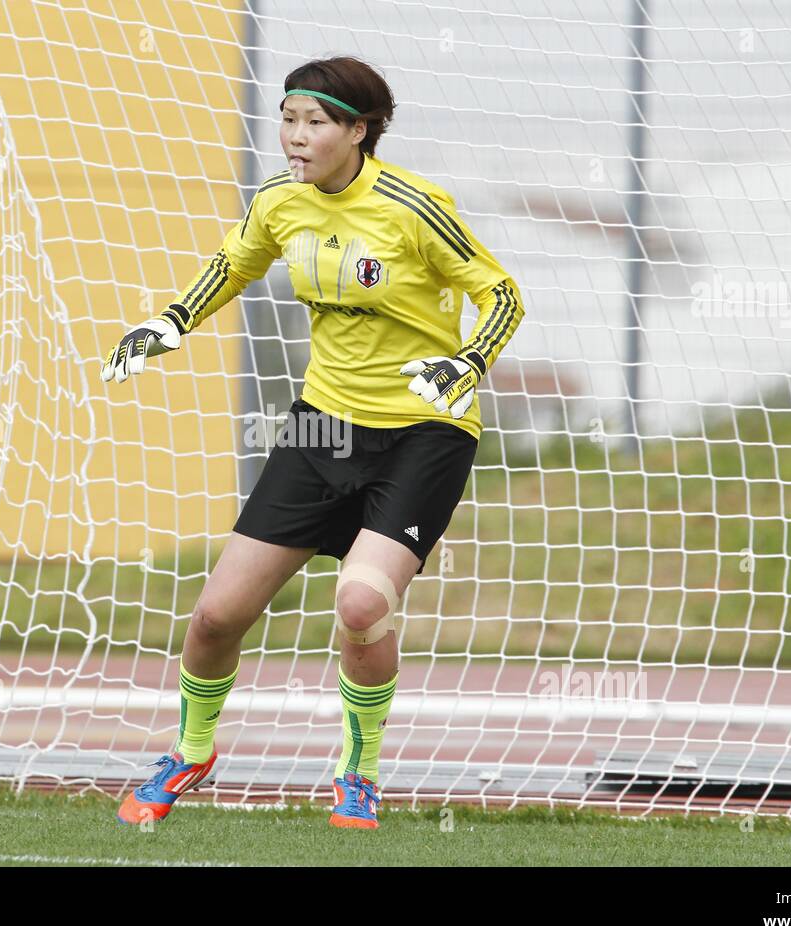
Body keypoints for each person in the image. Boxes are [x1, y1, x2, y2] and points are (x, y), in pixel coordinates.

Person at [101, 55, 525, 829]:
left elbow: (500, 293)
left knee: (362, 604)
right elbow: (236, 261)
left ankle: (358, 773)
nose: (296, 137)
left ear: (358, 131)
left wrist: (468, 363)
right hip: (323, 426)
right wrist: (170, 322)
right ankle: (192, 750)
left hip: (423, 434)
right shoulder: (279, 204)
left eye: (317, 122)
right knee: (215, 619)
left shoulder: (413, 207)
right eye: (289, 119)